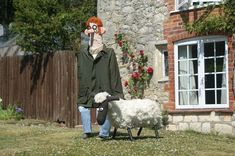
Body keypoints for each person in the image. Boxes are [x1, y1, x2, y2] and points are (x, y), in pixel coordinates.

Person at [77, 16, 124, 139]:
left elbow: (114, 73)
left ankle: (104, 133)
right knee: (83, 107)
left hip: (104, 86)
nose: (91, 31)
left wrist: (117, 93)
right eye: (89, 28)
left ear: (100, 30)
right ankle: (87, 131)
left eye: (94, 27)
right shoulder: (83, 53)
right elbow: (80, 71)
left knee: (104, 107)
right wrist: (85, 37)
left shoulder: (108, 53)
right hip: (88, 87)